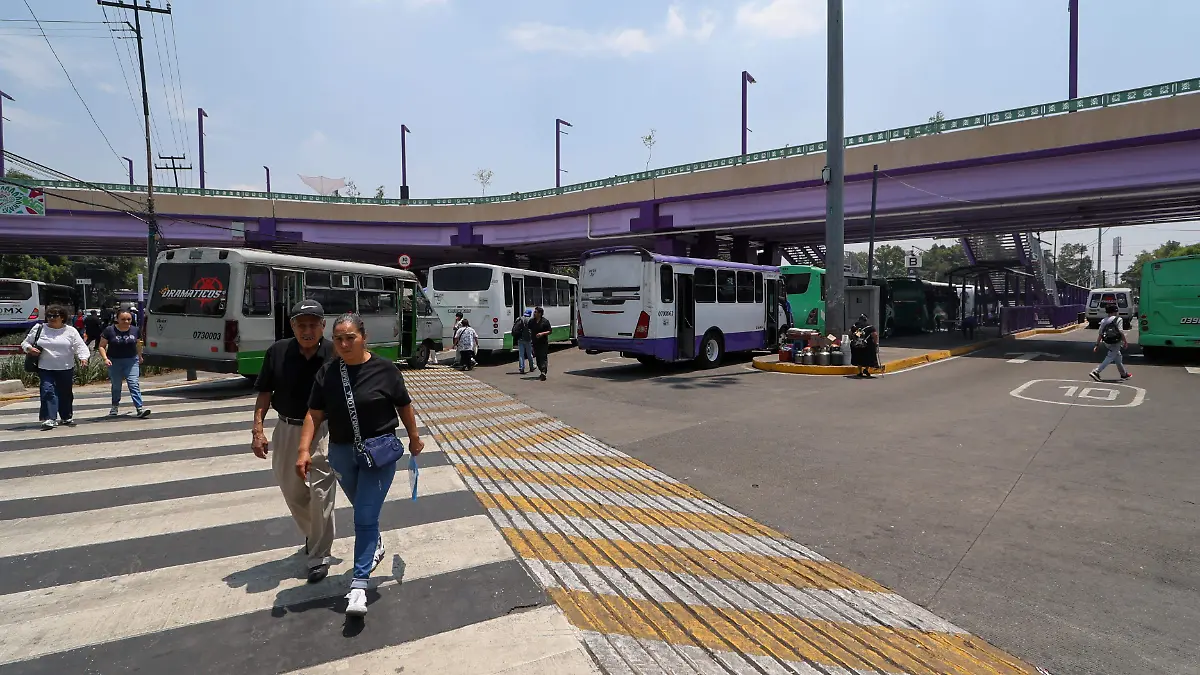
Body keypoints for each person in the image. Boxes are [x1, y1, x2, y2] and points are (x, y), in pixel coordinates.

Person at [298, 312, 424, 617]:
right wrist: (304, 450)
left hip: (379, 453)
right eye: (339, 338)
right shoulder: (328, 373)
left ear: (363, 336)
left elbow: (403, 405)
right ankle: (374, 544)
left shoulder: (385, 370)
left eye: (350, 337)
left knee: (364, 517)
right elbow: (314, 414)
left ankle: (358, 585)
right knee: (363, 511)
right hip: (342, 454)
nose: (343, 343)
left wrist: (414, 437)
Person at [252, 300, 338, 584]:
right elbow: (265, 392)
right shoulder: (278, 352)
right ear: (292, 326)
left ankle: (319, 556)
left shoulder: (334, 352)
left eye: (313, 324)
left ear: (323, 326)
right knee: (290, 487)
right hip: (288, 427)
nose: (307, 330)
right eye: (301, 325)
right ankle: (314, 533)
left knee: (321, 491)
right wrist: (258, 430)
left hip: (324, 430)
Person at [21, 305, 90, 429]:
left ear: (62, 317)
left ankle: (66, 416)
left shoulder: (71, 331)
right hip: (45, 367)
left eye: (55, 316)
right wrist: (29, 348)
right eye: (49, 316)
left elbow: (80, 346)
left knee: (65, 393)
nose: (52, 318)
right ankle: (49, 418)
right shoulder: (39, 328)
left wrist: (83, 357)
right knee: (47, 391)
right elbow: (25, 343)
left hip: (66, 367)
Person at [99, 309, 152, 418]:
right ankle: (114, 406)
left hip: (131, 361)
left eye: (129, 319)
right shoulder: (109, 330)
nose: (126, 321)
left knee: (133, 384)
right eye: (123, 319)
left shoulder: (135, 330)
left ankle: (139, 408)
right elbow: (101, 346)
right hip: (114, 361)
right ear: (117, 319)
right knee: (116, 386)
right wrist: (105, 358)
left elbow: (138, 344)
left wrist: (140, 355)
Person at [1091, 304, 1132, 382]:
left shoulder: (1103, 320)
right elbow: (1121, 331)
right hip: (1116, 341)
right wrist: (1125, 342)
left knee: (1118, 357)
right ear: (1115, 311)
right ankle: (1096, 371)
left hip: (1107, 342)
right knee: (1110, 357)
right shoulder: (1118, 319)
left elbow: (1100, 334)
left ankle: (1123, 374)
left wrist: (1097, 345)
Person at [850, 314, 880, 378]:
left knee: (858, 357)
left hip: (857, 345)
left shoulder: (854, 326)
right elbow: (875, 335)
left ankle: (860, 372)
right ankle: (866, 369)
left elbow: (850, 334)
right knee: (868, 358)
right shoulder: (870, 327)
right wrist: (876, 343)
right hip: (868, 345)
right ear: (865, 320)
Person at [529, 306, 552, 382]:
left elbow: (550, 331)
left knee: (543, 357)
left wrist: (542, 334)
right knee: (538, 357)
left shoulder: (545, 321)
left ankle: (543, 371)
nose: (534, 313)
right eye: (534, 312)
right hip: (535, 342)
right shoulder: (532, 321)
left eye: (535, 312)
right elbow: (529, 329)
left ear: (540, 313)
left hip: (543, 343)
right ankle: (541, 370)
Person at [513, 308, 535, 374]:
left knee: (521, 355)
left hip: (520, 339)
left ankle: (521, 368)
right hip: (528, 339)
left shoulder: (519, 319)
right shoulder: (530, 320)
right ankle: (531, 366)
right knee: (529, 354)